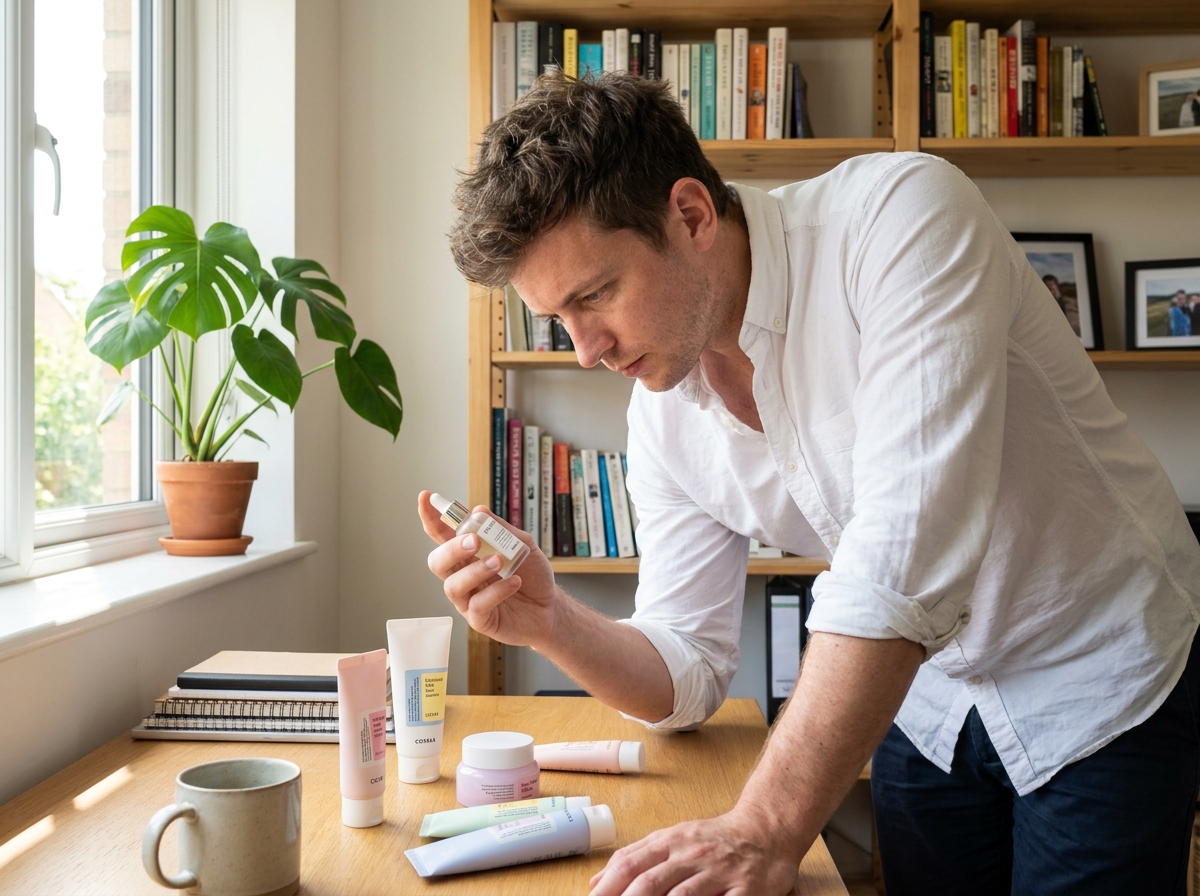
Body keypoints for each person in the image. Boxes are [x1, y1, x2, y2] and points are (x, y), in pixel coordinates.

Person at [429, 73, 1200, 896]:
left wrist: (764, 827)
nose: (585, 350)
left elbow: (904, 554)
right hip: (930, 697)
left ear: (689, 215)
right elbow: (687, 668)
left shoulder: (902, 218)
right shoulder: (664, 412)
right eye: (559, 319)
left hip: (1098, 670)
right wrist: (553, 623)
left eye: (595, 295)